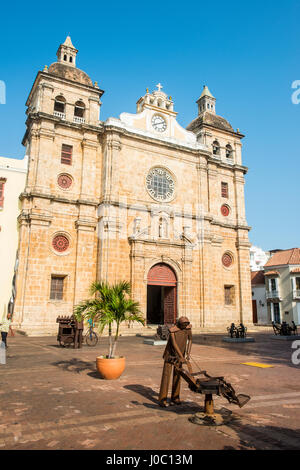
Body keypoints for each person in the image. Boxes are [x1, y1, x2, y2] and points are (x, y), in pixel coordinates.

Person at [158, 316, 192, 407]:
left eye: (186, 324)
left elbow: (191, 339)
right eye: (183, 325)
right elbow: (174, 344)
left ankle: (175, 397)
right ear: (179, 324)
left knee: (178, 376)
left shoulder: (188, 328)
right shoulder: (173, 330)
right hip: (170, 355)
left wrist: (188, 354)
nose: (185, 326)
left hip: (180, 356)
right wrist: (181, 356)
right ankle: (162, 399)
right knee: (166, 377)